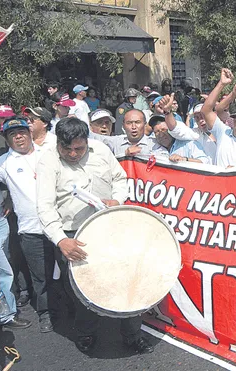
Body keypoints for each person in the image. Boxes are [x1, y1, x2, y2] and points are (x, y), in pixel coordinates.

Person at [36, 117, 153, 354]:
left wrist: (117, 199)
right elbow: (45, 206)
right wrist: (61, 240)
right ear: (58, 143)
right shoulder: (48, 160)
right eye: (65, 149)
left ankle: (132, 335)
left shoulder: (101, 151)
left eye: (78, 149)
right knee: (84, 291)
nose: (72, 154)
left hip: (108, 228)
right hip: (72, 234)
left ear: (87, 141)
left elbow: (120, 180)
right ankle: (86, 333)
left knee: (125, 280)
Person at [0, 117, 54, 332]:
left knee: (66, 273)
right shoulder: (4, 163)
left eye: (22, 132)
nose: (18, 137)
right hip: (30, 230)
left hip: (58, 225)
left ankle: (72, 309)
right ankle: (46, 314)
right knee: (40, 277)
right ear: (7, 140)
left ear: (29, 133)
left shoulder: (49, 152)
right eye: (12, 134)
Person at [0, 120, 32, 331]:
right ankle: (5, 314)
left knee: (3, 269)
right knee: (0, 271)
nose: (18, 137)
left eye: (21, 132)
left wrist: (8, 198)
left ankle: (5, 312)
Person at [94, 109, 162, 157]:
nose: (133, 127)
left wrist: (143, 155)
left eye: (137, 122)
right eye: (129, 123)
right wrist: (124, 156)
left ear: (145, 124)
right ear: (123, 126)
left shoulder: (155, 143)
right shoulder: (116, 142)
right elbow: (91, 136)